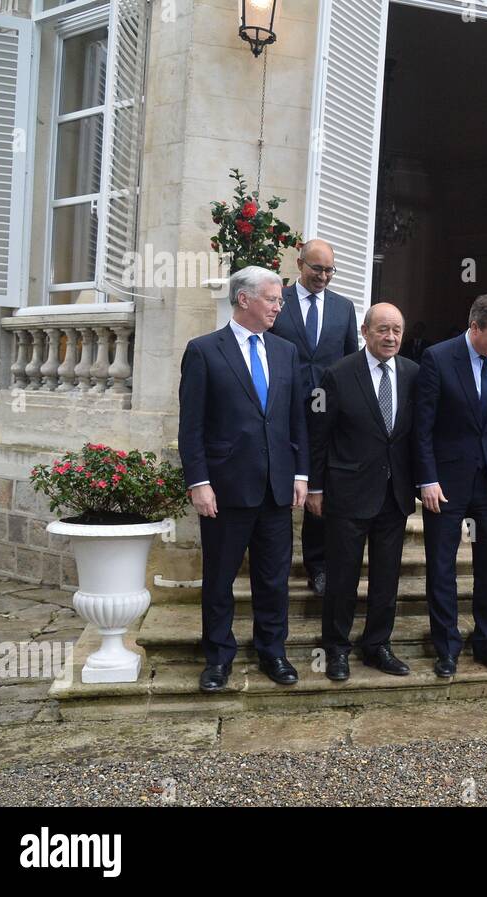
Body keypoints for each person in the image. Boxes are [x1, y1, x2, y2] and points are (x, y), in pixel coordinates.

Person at [178, 266, 308, 692]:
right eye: (272, 299)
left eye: (279, 300)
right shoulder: (203, 351)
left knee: (273, 578)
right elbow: (191, 427)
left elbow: (295, 421)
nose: (278, 306)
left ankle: (273, 651)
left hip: (276, 488)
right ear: (244, 299)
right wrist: (198, 482)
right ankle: (218, 658)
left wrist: (301, 473)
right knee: (219, 579)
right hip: (225, 489)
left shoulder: (286, 351)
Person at [414, 293, 487, 679]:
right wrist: (426, 478)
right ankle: (446, 646)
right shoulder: (438, 358)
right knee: (442, 566)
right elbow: (422, 427)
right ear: (475, 327)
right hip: (445, 483)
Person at [306, 303, 418, 681]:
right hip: (347, 492)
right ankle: (335, 649)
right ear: (365, 331)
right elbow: (318, 436)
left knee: (387, 576)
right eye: (383, 329)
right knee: (342, 576)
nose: (390, 337)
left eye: (397, 330)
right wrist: (315, 487)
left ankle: (377, 646)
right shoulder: (336, 375)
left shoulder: (413, 374)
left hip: (394, 493)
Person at [269, 239, 360, 599]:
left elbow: (351, 358)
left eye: (329, 270)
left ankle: (318, 566)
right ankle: (272, 563)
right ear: (300, 263)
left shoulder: (344, 307)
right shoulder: (279, 300)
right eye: (316, 269)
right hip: (282, 410)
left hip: (328, 415)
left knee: (321, 490)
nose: (323, 276)